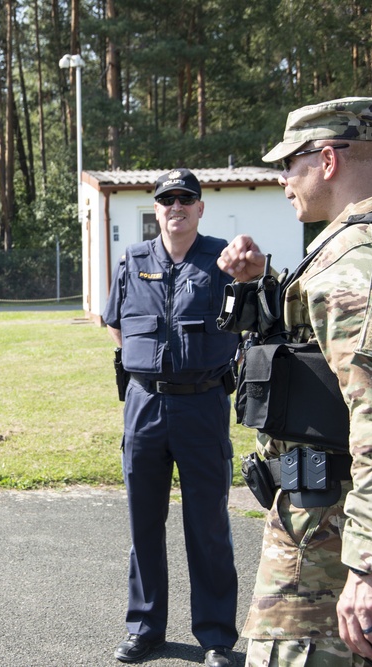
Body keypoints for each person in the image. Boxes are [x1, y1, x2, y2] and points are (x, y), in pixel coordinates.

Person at [217, 97, 372, 666]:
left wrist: (369, 565)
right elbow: (318, 356)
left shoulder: (359, 261)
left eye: (289, 165)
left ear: (327, 159)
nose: (284, 180)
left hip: (329, 532)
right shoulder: (363, 245)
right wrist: (265, 282)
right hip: (322, 516)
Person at [102, 169, 240, 666]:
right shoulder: (133, 260)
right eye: (166, 200)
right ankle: (145, 628)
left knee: (207, 524)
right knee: (144, 523)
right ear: (156, 209)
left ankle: (217, 636)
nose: (176, 206)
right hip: (144, 406)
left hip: (203, 405)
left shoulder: (222, 260)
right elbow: (117, 324)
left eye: (186, 198)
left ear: (200, 208)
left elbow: (247, 320)